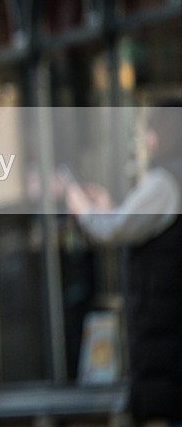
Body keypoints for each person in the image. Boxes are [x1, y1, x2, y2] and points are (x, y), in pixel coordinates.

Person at [65, 101, 182, 426]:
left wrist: (84, 209)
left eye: (151, 130)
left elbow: (114, 230)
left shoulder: (166, 181)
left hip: (164, 327)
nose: (146, 139)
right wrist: (109, 207)